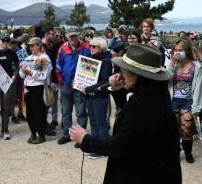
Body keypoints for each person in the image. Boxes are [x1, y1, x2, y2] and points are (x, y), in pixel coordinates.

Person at [70, 44, 182, 184]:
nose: (120, 74)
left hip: (146, 174)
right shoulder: (154, 93)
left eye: (125, 70)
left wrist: (85, 140)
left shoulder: (146, 104)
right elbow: (129, 118)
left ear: (138, 75)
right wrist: (118, 91)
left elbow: (120, 146)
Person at [167, 40, 202, 163]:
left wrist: (196, 107)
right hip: (173, 100)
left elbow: (198, 87)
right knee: (174, 130)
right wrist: (172, 63)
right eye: (176, 50)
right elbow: (166, 78)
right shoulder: (172, 64)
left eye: (180, 50)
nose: (177, 52)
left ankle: (188, 152)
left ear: (186, 51)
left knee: (186, 129)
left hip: (188, 101)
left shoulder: (196, 65)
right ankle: (175, 152)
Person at [56, 32, 90, 145]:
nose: (73, 38)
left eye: (75, 36)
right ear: (67, 37)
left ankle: (81, 138)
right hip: (65, 86)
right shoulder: (63, 48)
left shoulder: (86, 47)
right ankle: (66, 135)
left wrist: (85, 82)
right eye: (71, 36)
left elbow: (91, 66)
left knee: (81, 113)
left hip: (80, 87)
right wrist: (61, 80)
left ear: (79, 36)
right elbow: (58, 65)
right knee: (66, 112)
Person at [81, 38, 112, 159]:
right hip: (90, 96)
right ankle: (95, 147)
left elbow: (105, 81)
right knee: (93, 121)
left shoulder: (106, 61)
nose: (91, 48)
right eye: (90, 46)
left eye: (94, 46)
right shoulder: (90, 59)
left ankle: (103, 149)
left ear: (102, 48)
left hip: (100, 96)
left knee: (101, 123)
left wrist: (89, 88)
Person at [19, 37, 52, 144]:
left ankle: (41, 135)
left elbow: (44, 76)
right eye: (29, 46)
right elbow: (22, 75)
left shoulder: (45, 58)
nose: (31, 47)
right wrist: (23, 70)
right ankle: (33, 133)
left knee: (39, 113)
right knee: (29, 113)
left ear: (39, 46)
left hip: (39, 88)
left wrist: (31, 71)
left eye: (33, 45)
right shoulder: (28, 58)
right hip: (28, 87)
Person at [42, 28, 60, 134]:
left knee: (48, 103)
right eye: (53, 34)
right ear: (47, 34)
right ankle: (43, 127)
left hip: (52, 79)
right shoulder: (42, 47)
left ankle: (45, 124)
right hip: (45, 80)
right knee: (45, 103)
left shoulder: (50, 46)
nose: (54, 36)